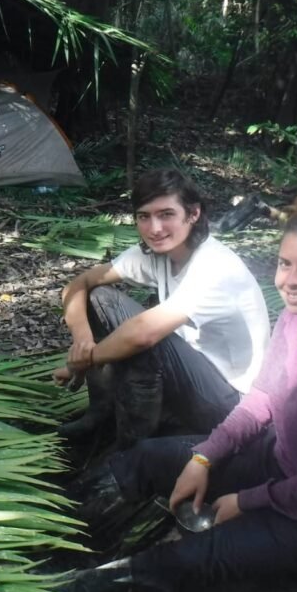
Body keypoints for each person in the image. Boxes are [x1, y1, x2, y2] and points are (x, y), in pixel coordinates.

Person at [64, 185, 297, 592]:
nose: (292, 280)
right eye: (285, 264)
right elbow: (263, 397)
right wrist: (204, 457)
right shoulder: (295, 317)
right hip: (283, 460)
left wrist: (247, 501)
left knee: (192, 560)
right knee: (146, 459)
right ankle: (54, 537)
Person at [58, 169, 271, 446]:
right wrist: (83, 345)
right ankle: (101, 413)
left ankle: (128, 454)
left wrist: (84, 362)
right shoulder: (159, 252)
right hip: (192, 375)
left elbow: (143, 334)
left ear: (193, 214)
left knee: (148, 341)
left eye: (166, 214)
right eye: (144, 216)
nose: (154, 228)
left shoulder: (216, 267)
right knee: (99, 297)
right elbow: (78, 285)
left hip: (230, 403)